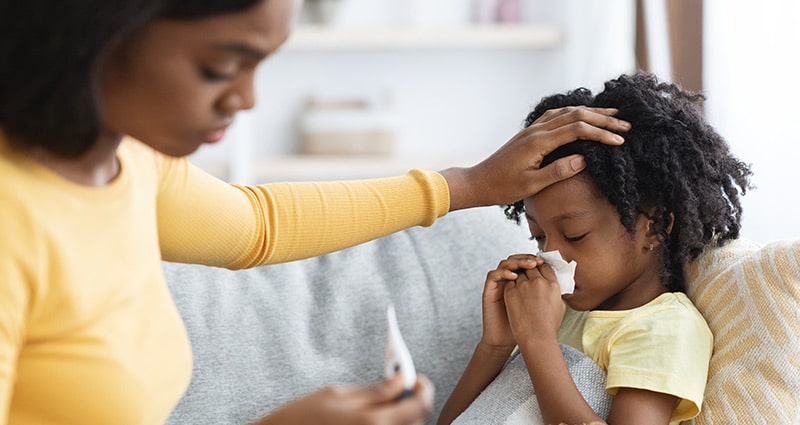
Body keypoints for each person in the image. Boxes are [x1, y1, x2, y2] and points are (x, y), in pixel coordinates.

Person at [0, 1, 632, 425]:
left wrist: (471, 183)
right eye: (219, 66)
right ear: (95, 32)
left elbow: (255, 225)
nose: (247, 98)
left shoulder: (125, 159)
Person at [438, 73, 753, 425]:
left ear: (656, 225)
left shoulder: (664, 329)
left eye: (574, 236)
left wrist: (538, 341)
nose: (551, 255)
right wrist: (496, 344)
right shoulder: (559, 314)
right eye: (538, 237)